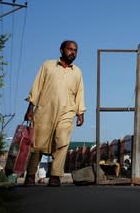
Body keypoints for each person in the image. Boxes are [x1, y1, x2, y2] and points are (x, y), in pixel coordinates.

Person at [23, 40, 86, 187]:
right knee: (37, 143)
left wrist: (80, 112)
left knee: (62, 141)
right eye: (70, 49)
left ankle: (55, 176)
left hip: (67, 112)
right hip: (45, 110)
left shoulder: (77, 71)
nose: (73, 52)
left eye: (75, 50)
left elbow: (80, 93)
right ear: (61, 50)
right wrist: (30, 109)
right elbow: (37, 86)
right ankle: (31, 175)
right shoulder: (48, 65)